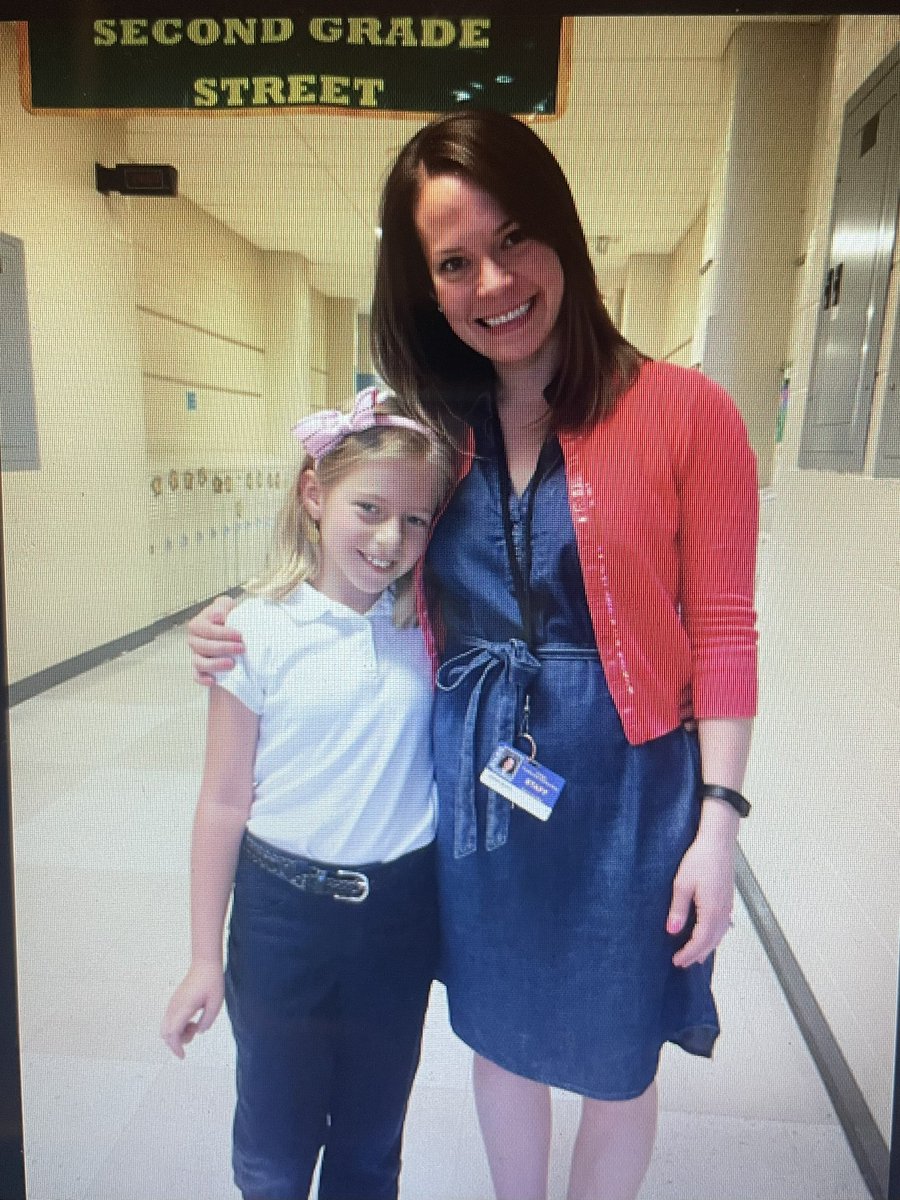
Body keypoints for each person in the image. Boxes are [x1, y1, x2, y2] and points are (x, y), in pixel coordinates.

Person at [188, 109, 758, 1200]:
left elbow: (725, 628)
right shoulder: (430, 431)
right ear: (425, 284)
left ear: (563, 233)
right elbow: (343, 559)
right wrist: (231, 619)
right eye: (454, 262)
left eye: (512, 241)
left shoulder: (689, 412)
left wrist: (720, 821)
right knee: (497, 1034)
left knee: (617, 1050)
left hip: (632, 788)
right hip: (478, 783)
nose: (492, 281)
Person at [163, 387, 453, 1200]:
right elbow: (223, 799)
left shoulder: (428, 630)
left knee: (370, 1145)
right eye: (369, 507)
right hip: (281, 918)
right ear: (314, 495)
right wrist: (200, 957)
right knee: (275, 1147)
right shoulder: (253, 630)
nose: (391, 539)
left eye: (417, 520)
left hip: (398, 922)